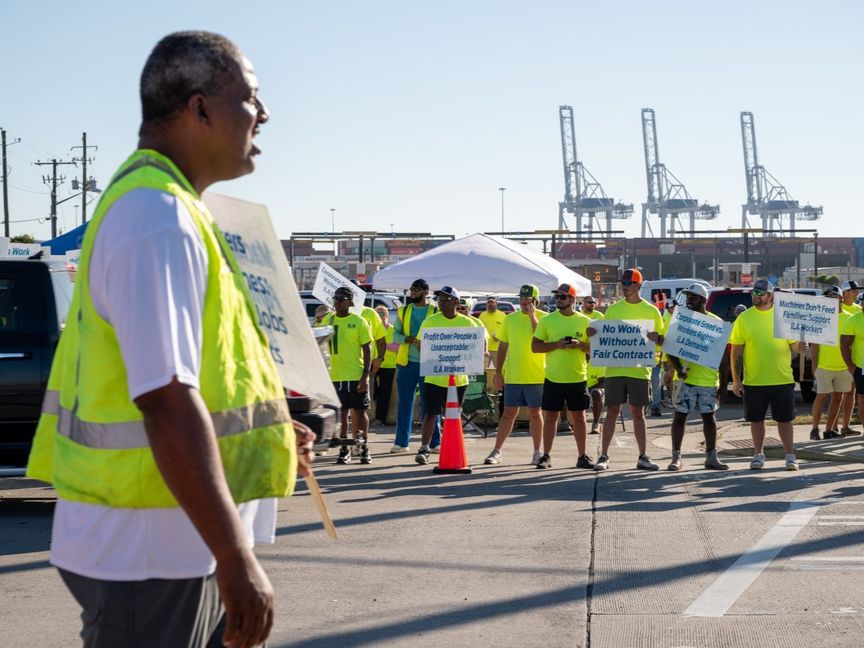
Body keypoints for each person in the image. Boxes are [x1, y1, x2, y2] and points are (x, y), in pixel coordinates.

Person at [26, 31, 314, 648]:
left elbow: (194, 382)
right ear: (199, 107)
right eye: (251, 98)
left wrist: (271, 433)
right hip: (151, 548)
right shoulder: (158, 218)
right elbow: (164, 399)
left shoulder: (171, 209)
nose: (263, 115)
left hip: (168, 543)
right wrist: (237, 560)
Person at [589, 269, 665, 472]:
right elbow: (604, 337)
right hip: (615, 369)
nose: (624, 286)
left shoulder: (652, 311)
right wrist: (593, 334)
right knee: (612, 410)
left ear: (639, 285)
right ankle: (603, 456)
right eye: (622, 283)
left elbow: (660, 342)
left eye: (628, 283)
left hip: (639, 370)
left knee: (638, 413)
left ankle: (642, 456)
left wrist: (657, 339)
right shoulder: (614, 309)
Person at [730, 279, 800, 470]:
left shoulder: (783, 316)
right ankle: (758, 454)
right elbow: (736, 352)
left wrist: (801, 346)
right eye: (754, 293)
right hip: (754, 380)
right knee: (756, 420)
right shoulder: (744, 318)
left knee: (785, 419)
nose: (756, 296)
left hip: (782, 378)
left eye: (760, 293)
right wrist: (736, 380)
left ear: (770, 295)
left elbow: (794, 347)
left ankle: (790, 455)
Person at [415, 286, 482, 465]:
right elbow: (420, 345)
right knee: (430, 413)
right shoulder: (430, 321)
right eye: (440, 300)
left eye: (446, 299)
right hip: (434, 377)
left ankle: (452, 445)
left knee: (454, 415)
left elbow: (477, 347)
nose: (442, 302)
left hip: (459, 380)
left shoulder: (468, 323)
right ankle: (424, 448)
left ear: (456, 302)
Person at [531, 283, 594, 470]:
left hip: (577, 377)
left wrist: (580, 344)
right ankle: (546, 455)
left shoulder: (585, 321)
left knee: (579, 418)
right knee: (550, 418)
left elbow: (594, 348)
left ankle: (582, 455)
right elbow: (535, 347)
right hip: (553, 377)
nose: (558, 299)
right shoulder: (547, 321)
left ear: (573, 300)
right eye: (557, 296)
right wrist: (556, 345)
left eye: (563, 297)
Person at [665, 284, 728, 471]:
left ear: (702, 300)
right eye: (687, 297)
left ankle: (711, 456)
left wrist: (724, 385)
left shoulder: (716, 323)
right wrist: (677, 368)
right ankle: (676, 457)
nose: (688, 301)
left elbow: (723, 358)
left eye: (692, 297)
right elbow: (670, 348)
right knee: (680, 417)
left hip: (708, 381)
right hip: (685, 380)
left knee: (709, 419)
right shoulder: (681, 320)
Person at [484, 284, 546, 465]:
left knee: (535, 413)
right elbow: (503, 346)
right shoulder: (510, 319)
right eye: (522, 299)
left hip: (537, 375)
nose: (524, 303)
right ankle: (497, 451)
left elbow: (540, 337)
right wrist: (498, 373)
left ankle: (537, 451)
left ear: (536, 301)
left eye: (528, 299)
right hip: (513, 374)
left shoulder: (545, 318)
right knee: (509, 413)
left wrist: (533, 315)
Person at [323, 287, 373, 464]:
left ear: (350, 302)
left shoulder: (359, 321)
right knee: (341, 414)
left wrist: (365, 376)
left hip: (355, 374)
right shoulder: (328, 322)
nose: (337, 302)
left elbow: (367, 349)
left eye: (341, 299)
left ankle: (363, 446)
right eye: (335, 299)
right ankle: (344, 449)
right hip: (335, 376)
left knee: (360, 412)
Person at [391, 278, 440, 453]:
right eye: (411, 289)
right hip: (406, 363)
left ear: (426, 292)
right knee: (404, 404)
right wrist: (406, 339)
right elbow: (394, 334)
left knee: (431, 405)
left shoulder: (435, 310)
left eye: (417, 289)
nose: (413, 292)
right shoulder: (403, 311)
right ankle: (401, 443)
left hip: (429, 364)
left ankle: (435, 443)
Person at [809, 286, 850, 440]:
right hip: (824, 366)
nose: (831, 298)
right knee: (821, 397)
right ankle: (814, 429)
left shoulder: (849, 318)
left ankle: (828, 430)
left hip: (843, 367)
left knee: (838, 398)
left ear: (841, 298)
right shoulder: (820, 318)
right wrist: (814, 366)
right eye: (828, 296)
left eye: (834, 296)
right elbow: (814, 345)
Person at [836, 280, 862, 436]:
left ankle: (846, 425)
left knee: (852, 393)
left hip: (857, 358)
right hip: (840, 358)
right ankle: (832, 426)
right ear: (844, 293)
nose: (856, 293)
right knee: (839, 394)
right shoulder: (838, 309)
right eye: (853, 291)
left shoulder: (859, 309)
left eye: (857, 291)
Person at [372, 305, 398, 426]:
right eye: (378, 313)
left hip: (389, 365)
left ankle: (380, 419)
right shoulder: (372, 328)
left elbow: (398, 347)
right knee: (373, 392)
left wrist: (383, 345)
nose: (380, 316)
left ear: (387, 316)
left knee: (385, 393)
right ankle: (370, 416)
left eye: (383, 314)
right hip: (373, 364)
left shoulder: (392, 330)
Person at [478, 295, 507, 368]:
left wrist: (499, 336)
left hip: (498, 349)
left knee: (499, 370)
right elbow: (478, 330)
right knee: (483, 371)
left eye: (492, 302)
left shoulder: (502, 315)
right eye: (489, 302)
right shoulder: (482, 315)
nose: (490, 304)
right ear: (486, 304)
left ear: (496, 303)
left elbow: (506, 330)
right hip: (485, 349)